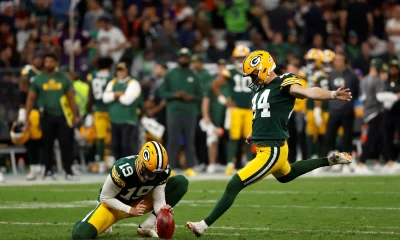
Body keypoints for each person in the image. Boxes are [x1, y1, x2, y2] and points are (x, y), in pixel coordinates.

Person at [186, 50, 353, 237]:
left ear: (264, 68)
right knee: (287, 175)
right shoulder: (261, 90)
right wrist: (253, 133)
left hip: (272, 149)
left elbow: (306, 91)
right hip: (270, 146)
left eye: (254, 74)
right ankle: (329, 160)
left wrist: (331, 94)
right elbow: (264, 116)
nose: (252, 79)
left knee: (234, 183)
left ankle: (203, 225)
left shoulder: (284, 82)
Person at [71, 141, 188, 239]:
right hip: (112, 206)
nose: (152, 176)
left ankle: (147, 226)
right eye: (149, 172)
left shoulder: (161, 171)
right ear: (141, 162)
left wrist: (163, 210)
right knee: (80, 235)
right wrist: (130, 209)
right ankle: (85, 222)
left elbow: (158, 200)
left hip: (140, 203)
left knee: (180, 183)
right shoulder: (123, 169)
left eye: (155, 173)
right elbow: (105, 197)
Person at [25, 53, 80, 180]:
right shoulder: (39, 79)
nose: (48, 64)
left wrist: (75, 115)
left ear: (56, 63)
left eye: (50, 61)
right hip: (46, 116)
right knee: (47, 145)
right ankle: (48, 171)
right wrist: (27, 116)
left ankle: (68, 171)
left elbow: (71, 98)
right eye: (46, 61)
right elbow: (31, 98)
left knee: (66, 144)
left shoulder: (64, 78)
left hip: (63, 116)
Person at [158, 48, 202, 177]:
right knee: (173, 140)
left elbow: (200, 96)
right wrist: (175, 94)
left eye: (186, 57)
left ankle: (190, 166)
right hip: (174, 111)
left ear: (189, 59)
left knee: (189, 139)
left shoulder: (194, 76)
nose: (183, 58)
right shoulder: (170, 74)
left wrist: (191, 97)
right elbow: (162, 92)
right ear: (178, 58)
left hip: (189, 111)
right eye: (181, 56)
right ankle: (170, 167)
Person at [211, 45, 254, 175]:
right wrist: (224, 101)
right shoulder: (229, 70)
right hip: (235, 109)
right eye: (239, 57)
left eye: (243, 57)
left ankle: (249, 163)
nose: (241, 60)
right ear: (234, 58)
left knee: (249, 137)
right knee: (233, 137)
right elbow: (215, 86)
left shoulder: (254, 70)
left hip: (248, 109)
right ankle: (230, 163)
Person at [321, 52, 359, 159]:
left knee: (347, 138)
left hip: (347, 111)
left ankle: (346, 161)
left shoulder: (352, 75)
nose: (337, 62)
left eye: (340, 60)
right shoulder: (331, 75)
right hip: (334, 111)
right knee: (329, 137)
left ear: (345, 62)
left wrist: (350, 104)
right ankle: (324, 161)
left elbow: (356, 92)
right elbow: (328, 91)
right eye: (336, 60)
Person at [103, 62, 141, 160]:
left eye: (122, 70)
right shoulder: (113, 82)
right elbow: (105, 98)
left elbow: (127, 100)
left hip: (128, 119)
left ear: (127, 71)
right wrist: (118, 94)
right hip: (115, 119)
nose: (120, 72)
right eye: (118, 70)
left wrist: (113, 95)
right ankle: (119, 167)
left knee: (127, 145)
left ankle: (132, 166)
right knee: (115, 145)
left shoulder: (133, 83)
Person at [357, 59, 388, 174]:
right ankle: (361, 162)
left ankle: (388, 161)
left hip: (367, 111)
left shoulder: (364, 80)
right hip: (375, 111)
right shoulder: (377, 80)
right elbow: (380, 97)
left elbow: (361, 98)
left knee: (380, 138)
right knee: (371, 138)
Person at [17, 53, 43, 180]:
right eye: (36, 57)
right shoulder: (28, 71)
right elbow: (23, 89)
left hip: (47, 110)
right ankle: (33, 168)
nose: (38, 60)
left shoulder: (48, 72)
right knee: (31, 139)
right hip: (32, 110)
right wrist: (22, 110)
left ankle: (45, 168)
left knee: (46, 140)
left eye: (40, 57)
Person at [86, 57, 114, 164]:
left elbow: (90, 94)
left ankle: (101, 162)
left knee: (100, 137)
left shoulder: (92, 75)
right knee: (112, 135)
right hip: (110, 108)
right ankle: (111, 159)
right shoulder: (112, 76)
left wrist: (88, 111)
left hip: (98, 109)